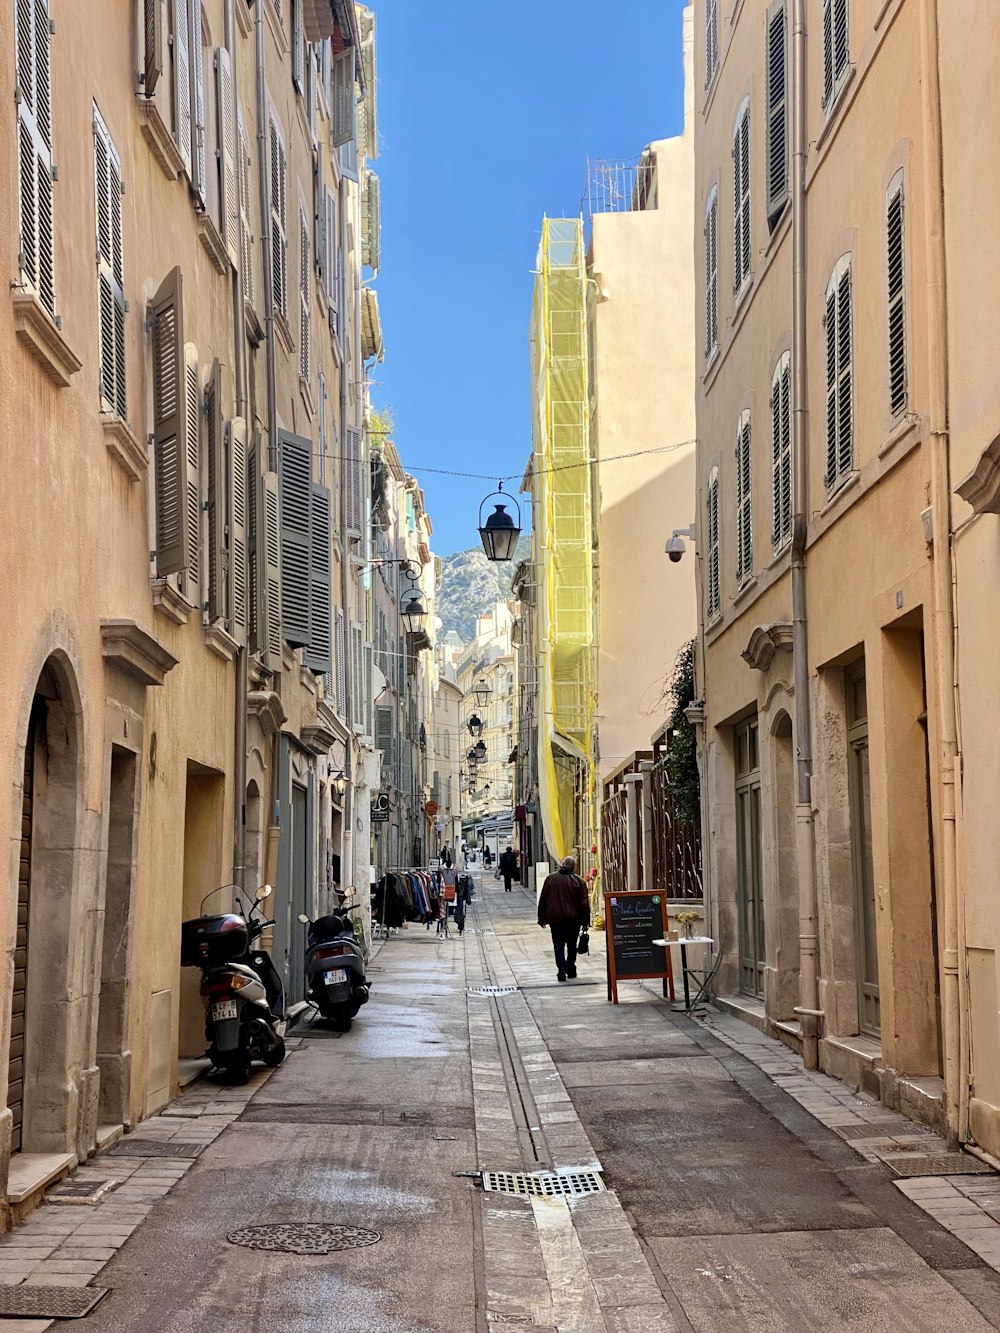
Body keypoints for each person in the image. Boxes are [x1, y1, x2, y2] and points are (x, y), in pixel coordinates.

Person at [537, 856, 590, 982]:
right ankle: (571, 968)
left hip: (556, 920)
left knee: (558, 945)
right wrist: (586, 921)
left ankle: (561, 970)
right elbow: (584, 904)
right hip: (573, 920)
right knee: (572, 945)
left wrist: (541, 917)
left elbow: (543, 899)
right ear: (574, 866)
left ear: (562, 864)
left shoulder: (551, 879)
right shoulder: (579, 881)